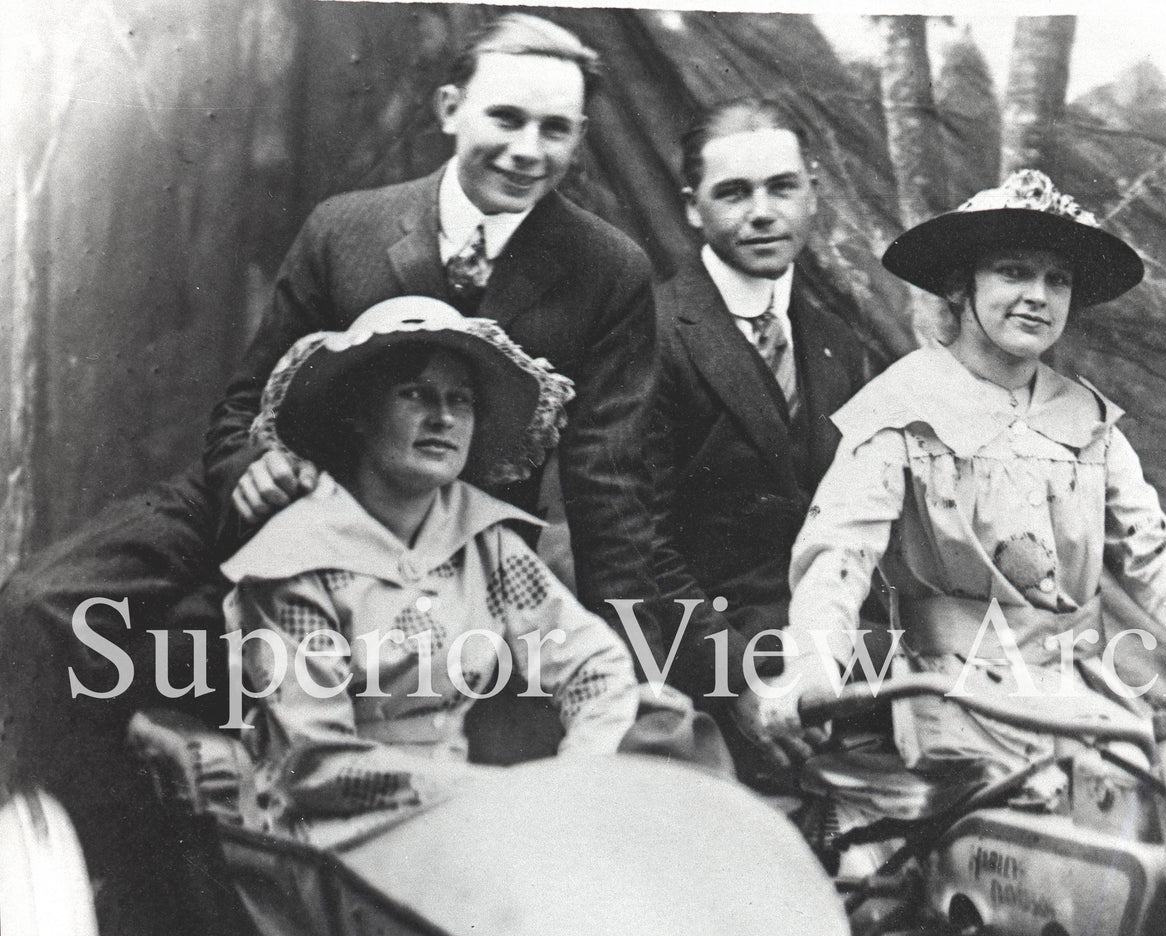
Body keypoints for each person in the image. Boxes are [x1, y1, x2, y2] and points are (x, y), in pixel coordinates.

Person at [0, 14, 667, 828]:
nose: (528, 150)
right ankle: (112, 813)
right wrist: (253, 468)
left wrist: (639, 659)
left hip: (430, 546)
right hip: (270, 498)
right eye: (506, 118)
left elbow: (605, 485)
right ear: (450, 107)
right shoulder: (347, 226)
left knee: (375, 708)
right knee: (42, 605)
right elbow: (243, 406)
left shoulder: (607, 269)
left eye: (554, 130)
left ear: (581, 137)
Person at [756, 170, 1166, 777]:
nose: (1038, 295)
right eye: (1013, 272)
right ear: (961, 287)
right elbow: (840, 553)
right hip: (960, 699)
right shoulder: (902, 408)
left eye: (1056, 279)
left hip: (1090, 687)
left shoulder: (1085, 418)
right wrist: (816, 661)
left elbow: (1157, 552)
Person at [222, 296, 638, 841]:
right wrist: (483, 797)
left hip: (469, 818)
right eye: (415, 393)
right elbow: (315, 761)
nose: (443, 418)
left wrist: (578, 778)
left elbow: (595, 667)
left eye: (460, 399)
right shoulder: (298, 556)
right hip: (335, 831)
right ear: (359, 411)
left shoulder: (485, 542)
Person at [644, 99, 869, 782]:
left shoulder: (837, 339)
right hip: (701, 679)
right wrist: (735, 686)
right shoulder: (649, 334)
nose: (763, 211)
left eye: (781, 187)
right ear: (691, 207)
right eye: (733, 193)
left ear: (812, 193)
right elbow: (632, 542)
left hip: (829, 670)